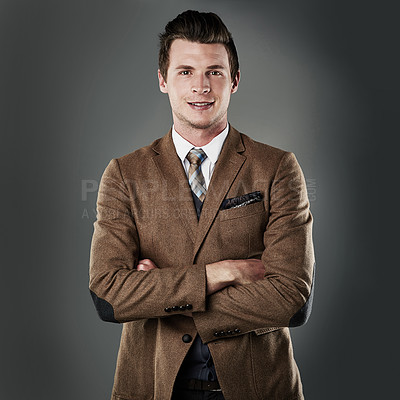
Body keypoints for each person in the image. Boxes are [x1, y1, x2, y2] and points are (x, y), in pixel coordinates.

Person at [89, 10, 315, 400]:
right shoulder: (124, 174)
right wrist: (220, 273)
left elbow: (292, 300)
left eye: (214, 72)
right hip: (154, 387)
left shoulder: (277, 168)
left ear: (235, 81)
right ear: (163, 81)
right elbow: (108, 297)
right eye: (185, 72)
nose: (201, 86)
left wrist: (156, 291)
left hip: (256, 387)